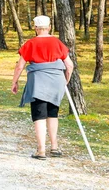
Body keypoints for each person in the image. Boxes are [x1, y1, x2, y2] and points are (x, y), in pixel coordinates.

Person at [11, 15, 74, 160]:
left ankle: (41, 151)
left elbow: (20, 65)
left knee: (39, 115)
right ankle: (54, 147)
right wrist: (65, 81)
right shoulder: (58, 43)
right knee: (53, 113)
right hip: (56, 81)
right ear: (50, 27)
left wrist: (14, 82)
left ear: (35, 28)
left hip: (38, 82)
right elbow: (69, 65)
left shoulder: (30, 43)